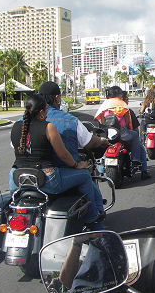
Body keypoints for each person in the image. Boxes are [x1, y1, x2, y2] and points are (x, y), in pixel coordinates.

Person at [9, 94, 105, 230]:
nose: (48, 113)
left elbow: (16, 147)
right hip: (47, 180)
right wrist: (77, 165)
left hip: (17, 179)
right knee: (84, 176)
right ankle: (92, 219)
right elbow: (63, 154)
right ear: (41, 112)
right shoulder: (48, 127)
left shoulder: (16, 127)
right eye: (46, 110)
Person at [38, 81, 109, 228]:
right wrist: (101, 141)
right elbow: (88, 142)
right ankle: (97, 230)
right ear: (57, 98)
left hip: (34, 176)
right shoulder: (69, 120)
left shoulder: (25, 121)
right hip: (62, 173)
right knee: (93, 192)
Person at [94, 86, 150, 180]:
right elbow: (128, 121)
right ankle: (136, 159)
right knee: (135, 135)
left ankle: (100, 169)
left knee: (105, 145)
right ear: (118, 94)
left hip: (108, 133)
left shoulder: (105, 105)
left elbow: (101, 120)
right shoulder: (121, 104)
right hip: (122, 133)